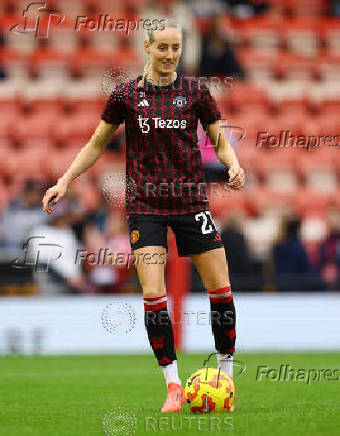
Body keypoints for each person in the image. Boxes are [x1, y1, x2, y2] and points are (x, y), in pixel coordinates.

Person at [42, 18, 245, 413]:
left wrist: (232, 164)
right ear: (148, 49)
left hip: (190, 202)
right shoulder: (126, 95)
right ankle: (172, 385)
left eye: (176, 48)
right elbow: (96, 143)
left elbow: (219, 139)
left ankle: (226, 376)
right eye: (163, 48)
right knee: (154, 294)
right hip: (145, 206)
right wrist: (65, 180)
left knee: (220, 290)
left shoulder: (197, 93)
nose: (170, 55)